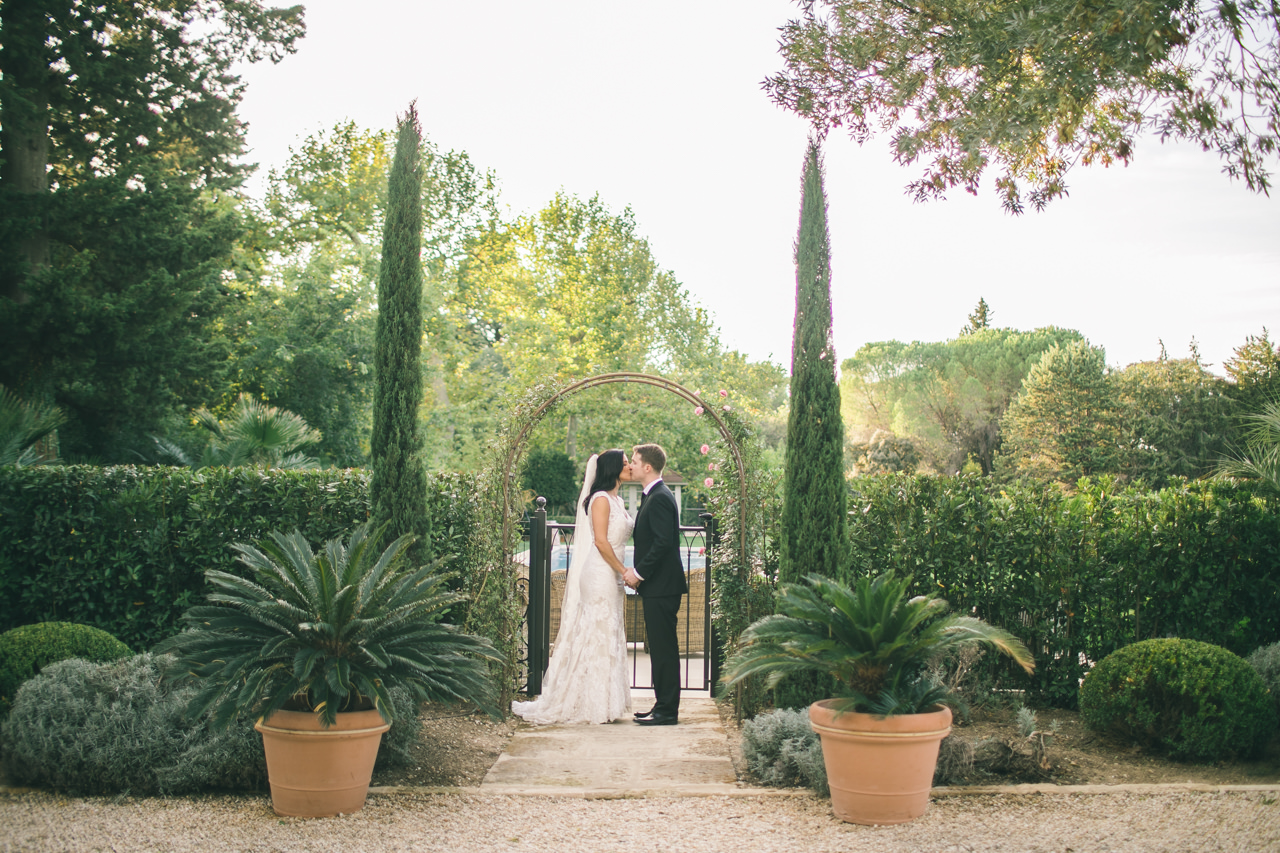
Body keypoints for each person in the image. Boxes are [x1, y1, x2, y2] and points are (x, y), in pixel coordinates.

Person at [512, 450, 634, 724]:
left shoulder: (617, 499)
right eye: (625, 463)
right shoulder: (601, 500)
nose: (629, 467)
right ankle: (588, 702)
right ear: (613, 468)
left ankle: (603, 701)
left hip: (611, 573)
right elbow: (601, 542)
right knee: (595, 633)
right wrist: (623, 570)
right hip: (600, 573)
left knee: (608, 632)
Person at [624, 443, 687, 726]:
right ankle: (661, 705)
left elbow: (663, 543)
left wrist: (638, 573)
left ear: (647, 467)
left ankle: (667, 711)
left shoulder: (660, 497)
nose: (631, 465)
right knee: (661, 650)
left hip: (662, 587)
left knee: (664, 650)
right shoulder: (655, 495)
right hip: (659, 587)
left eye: (635, 461)